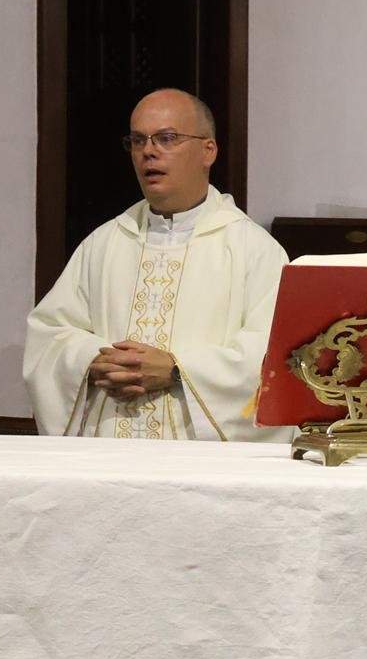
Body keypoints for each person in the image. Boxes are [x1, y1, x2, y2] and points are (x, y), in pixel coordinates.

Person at [24, 89, 286, 442]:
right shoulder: (105, 243)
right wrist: (92, 360)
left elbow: (274, 357)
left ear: (208, 150)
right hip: (107, 450)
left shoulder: (253, 250)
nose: (148, 151)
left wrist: (177, 370)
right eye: (138, 140)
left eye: (167, 138)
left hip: (199, 460)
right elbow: (49, 335)